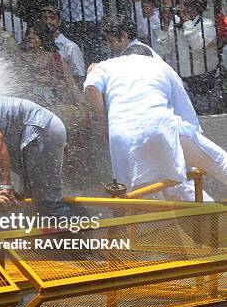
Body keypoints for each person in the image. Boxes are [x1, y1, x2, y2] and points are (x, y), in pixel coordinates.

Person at [84, 44, 227, 201]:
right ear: (149, 56)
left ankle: (205, 221)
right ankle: (213, 221)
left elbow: (91, 88)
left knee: (152, 209)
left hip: (122, 140)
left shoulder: (107, 65)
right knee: (219, 161)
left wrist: (104, 124)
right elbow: (186, 113)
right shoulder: (160, 65)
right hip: (162, 129)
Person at [157, 0, 221, 114]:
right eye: (179, 4)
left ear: (195, 6)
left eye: (185, 4)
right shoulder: (174, 25)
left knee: (209, 119)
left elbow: (197, 45)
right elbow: (163, 50)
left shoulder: (207, 24)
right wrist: (165, 26)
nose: (181, 8)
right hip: (183, 83)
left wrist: (186, 21)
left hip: (206, 81)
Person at [55, 0, 109, 65]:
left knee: (93, 55)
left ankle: (93, 79)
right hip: (69, 16)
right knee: (72, 56)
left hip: (91, 16)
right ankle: (76, 80)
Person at [40, 5, 86, 85]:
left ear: (59, 21)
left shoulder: (70, 47)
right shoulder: (37, 45)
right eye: (44, 18)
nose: (48, 21)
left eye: (52, 18)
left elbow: (78, 77)